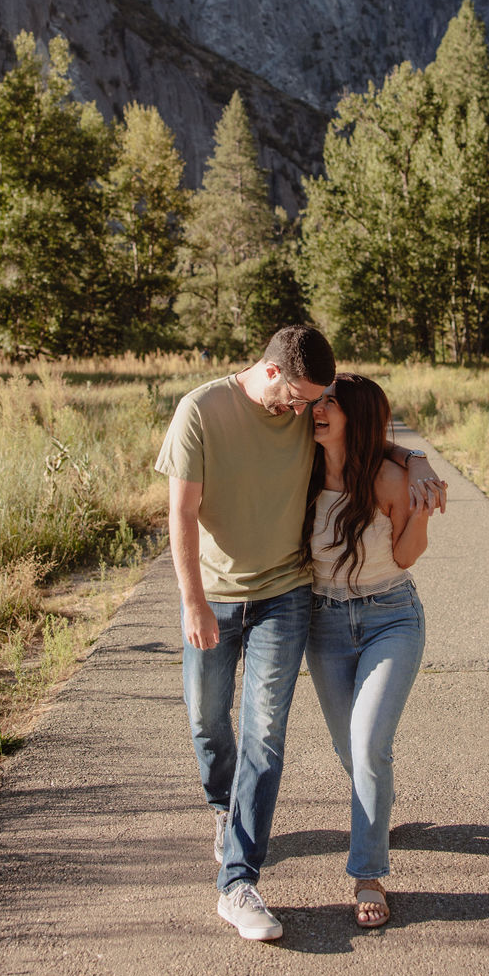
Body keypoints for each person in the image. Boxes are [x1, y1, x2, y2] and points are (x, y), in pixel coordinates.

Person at [154, 326, 445, 942]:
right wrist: (192, 602)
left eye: (318, 400)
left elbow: (373, 436)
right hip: (223, 596)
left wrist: (417, 460)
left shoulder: (307, 413)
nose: (309, 409)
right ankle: (223, 810)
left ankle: (242, 881)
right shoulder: (201, 412)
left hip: (290, 598)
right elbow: (179, 514)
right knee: (208, 721)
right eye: (303, 397)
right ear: (272, 372)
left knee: (268, 733)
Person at [304, 374, 431, 929]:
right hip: (323, 624)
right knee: (351, 752)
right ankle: (378, 809)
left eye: (332, 403)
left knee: (368, 744)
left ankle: (368, 872)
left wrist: (421, 505)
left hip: (390, 617)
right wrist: (419, 454)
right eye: (320, 400)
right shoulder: (300, 469)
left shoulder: (387, 477)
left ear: (357, 418)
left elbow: (405, 557)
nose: (319, 409)